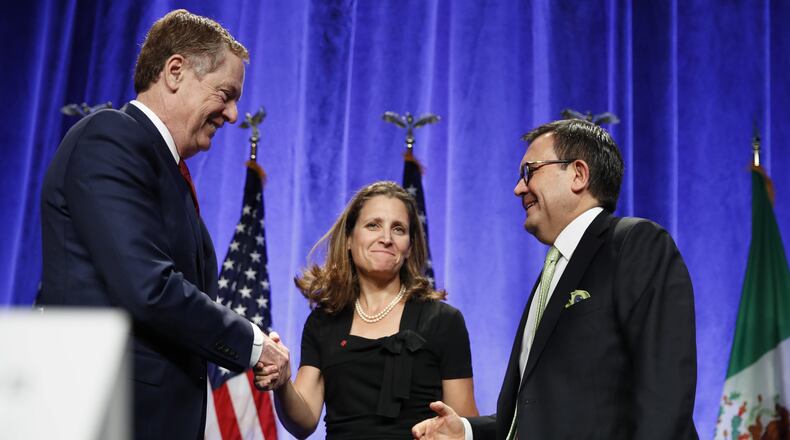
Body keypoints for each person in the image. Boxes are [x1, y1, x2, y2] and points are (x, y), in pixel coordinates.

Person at [38, 9, 288, 439]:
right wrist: (252, 344)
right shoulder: (110, 138)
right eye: (225, 94)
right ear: (175, 72)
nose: (233, 115)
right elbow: (148, 287)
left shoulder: (164, 169)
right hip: (106, 415)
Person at [412, 119, 698, 439]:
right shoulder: (556, 269)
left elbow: (665, 392)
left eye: (529, 172)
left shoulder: (634, 244)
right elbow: (541, 413)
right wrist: (466, 431)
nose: (519, 188)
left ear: (578, 174)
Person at [255, 181, 478, 439]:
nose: (386, 238)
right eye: (373, 225)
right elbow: (303, 423)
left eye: (398, 229)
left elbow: (464, 425)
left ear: (409, 247)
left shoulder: (443, 321)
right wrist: (282, 384)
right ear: (349, 239)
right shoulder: (323, 321)